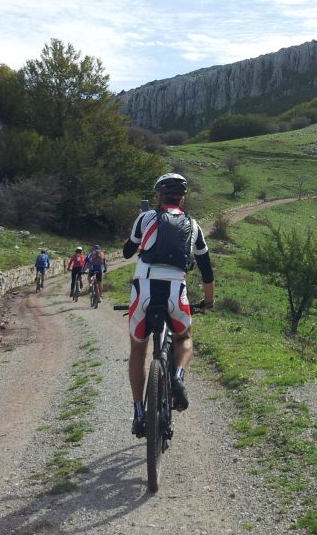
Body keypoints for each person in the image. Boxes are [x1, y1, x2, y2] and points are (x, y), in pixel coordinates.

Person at [123, 172, 213, 437]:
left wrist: (135, 243)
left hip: (144, 290)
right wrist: (208, 301)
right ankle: (177, 378)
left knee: (138, 349)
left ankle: (139, 413)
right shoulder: (193, 225)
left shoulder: (145, 217)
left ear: (159, 196)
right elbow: (207, 271)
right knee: (184, 338)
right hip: (176, 292)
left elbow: (128, 252)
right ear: (182, 199)